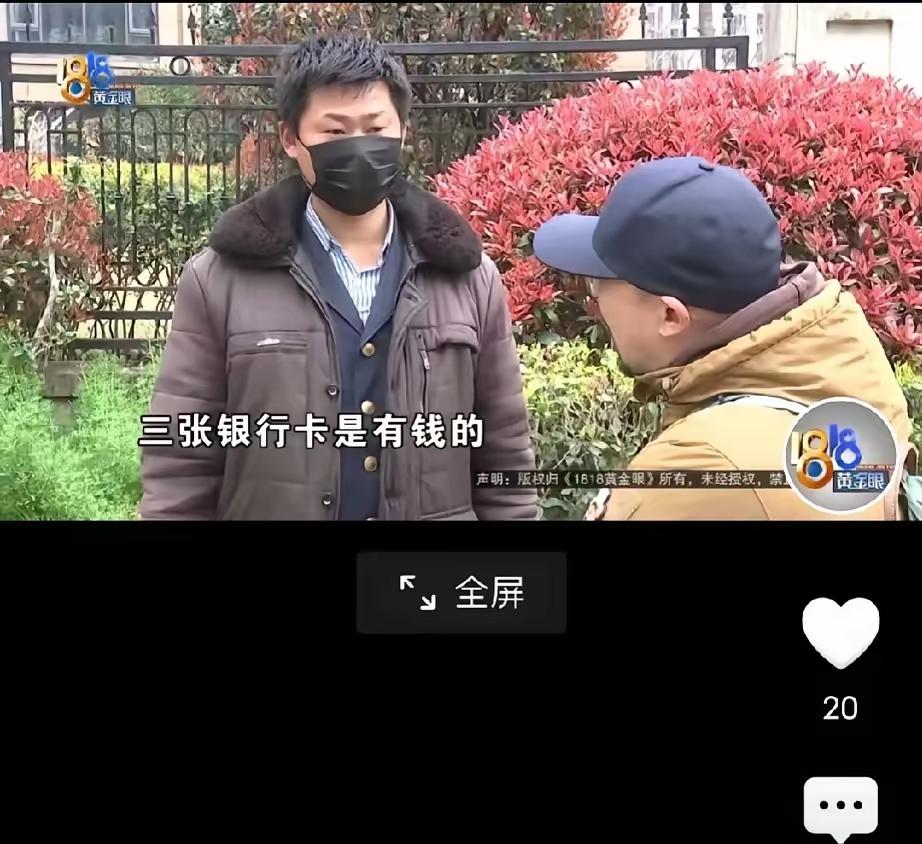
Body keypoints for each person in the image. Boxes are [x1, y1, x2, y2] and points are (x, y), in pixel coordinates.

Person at [140, 33, 536, 521]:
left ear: (403, 132)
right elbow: (181, 459)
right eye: (334, 132)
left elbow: (504, 453)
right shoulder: (219, 280)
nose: (359, 149)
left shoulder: (469, 280)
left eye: (375, 128)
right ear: (291, 138)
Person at [533, 156, 916, 520]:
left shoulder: (698, 473)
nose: (595, 300)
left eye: (597, 283)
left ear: (670, 316)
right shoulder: (839, 358)